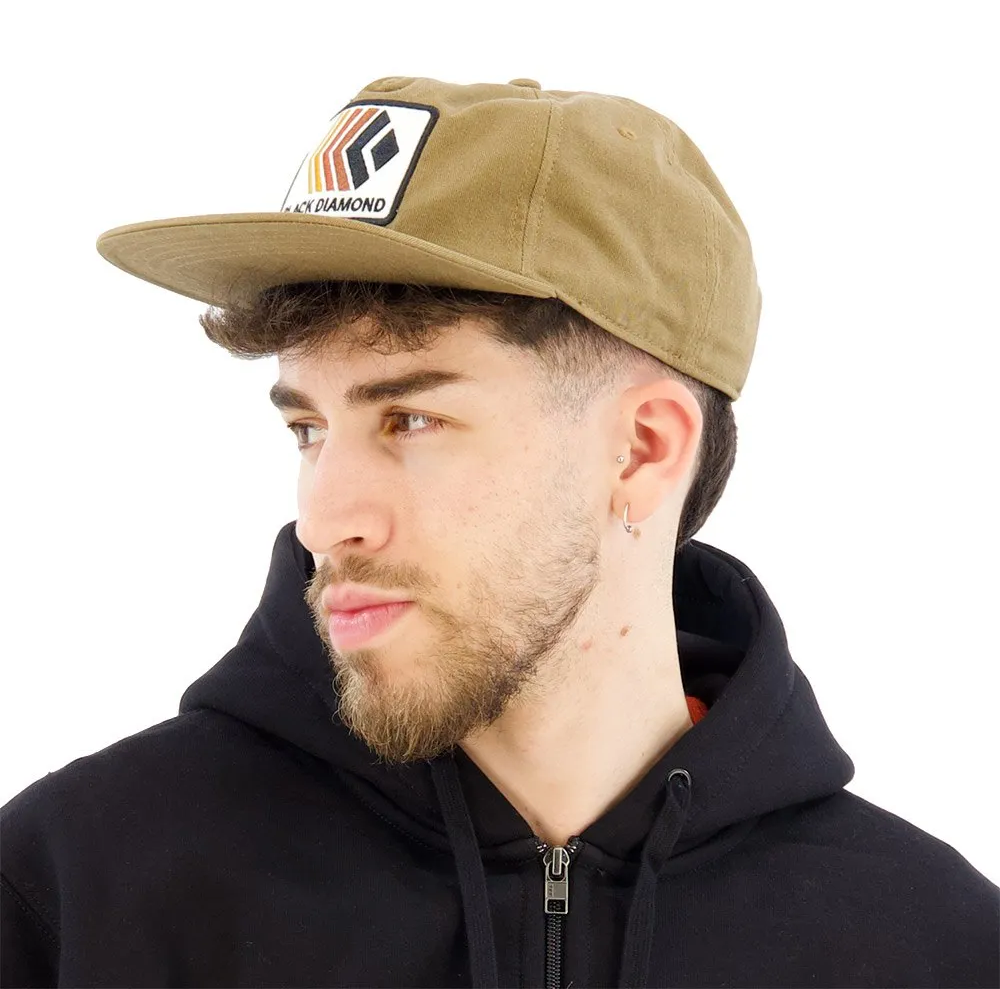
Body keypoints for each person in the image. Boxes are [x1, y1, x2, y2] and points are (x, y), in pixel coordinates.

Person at [1, 75, 996, 989]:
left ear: (642, 450)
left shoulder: (936, 947)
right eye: (309, 429)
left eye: (410, 420)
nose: (324, 518)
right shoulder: (73, 893)